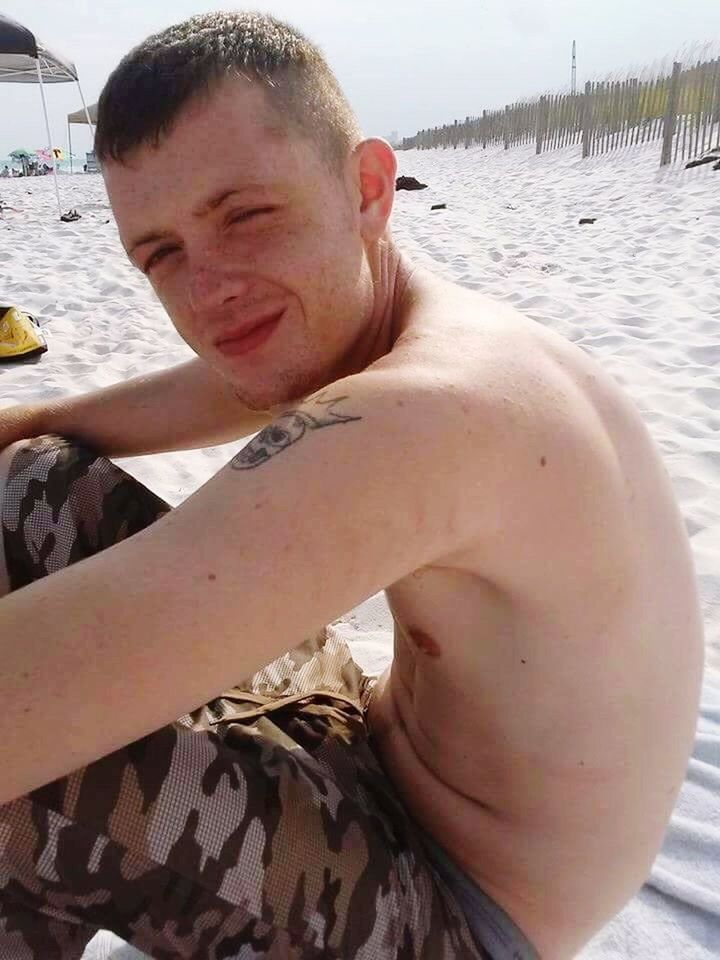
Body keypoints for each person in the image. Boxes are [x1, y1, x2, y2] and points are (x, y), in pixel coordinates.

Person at [0, 11, 704, 960]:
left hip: (454, 910)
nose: (208, 294)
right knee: (33, 485)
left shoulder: (430, 416)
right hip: (365, 740)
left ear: (368, 187)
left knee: (29, 792)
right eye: (160, 254)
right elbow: (234, 375)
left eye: (244, 216)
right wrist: (20, 426)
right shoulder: (402, 322)